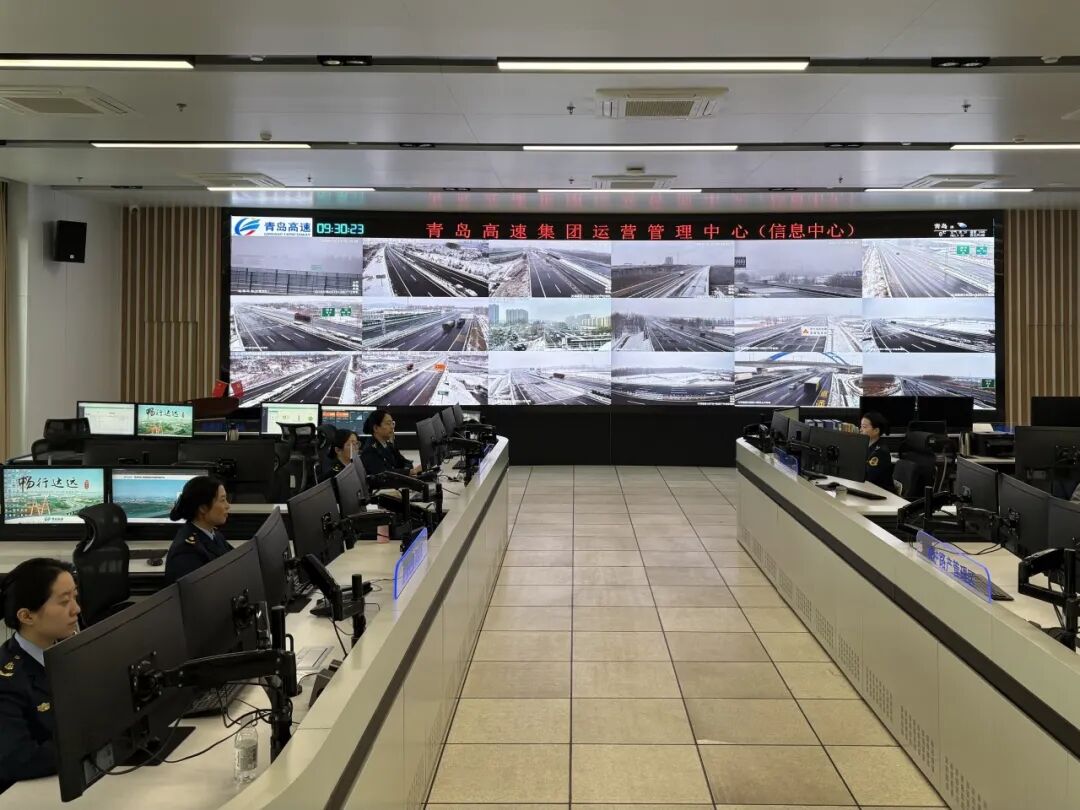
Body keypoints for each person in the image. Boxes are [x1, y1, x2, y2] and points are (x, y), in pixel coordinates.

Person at [0, 558, 81, 791]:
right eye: (64, 601)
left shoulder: (70, 651)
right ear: (27, 616)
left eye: (75, 596)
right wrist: (94, 740)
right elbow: (18, 759)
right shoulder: (8, 681)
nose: (76, 609)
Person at [164, 476, 233, 584]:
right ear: (203, 508)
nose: (227, 506)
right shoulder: (186, 552)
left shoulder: (214, 534)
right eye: (222, 500)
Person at [360, 410, 422, 476]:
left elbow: (405, 462)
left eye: (392, 423)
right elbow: (384, 474)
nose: (392, 427)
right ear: (376, 428)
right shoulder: (369, 450)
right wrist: (411, 471)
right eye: (388, 423)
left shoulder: (388, 445)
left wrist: (407, 470)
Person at [860, 411, 895, 491]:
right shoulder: (865, 446)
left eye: (864, 427)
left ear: (876, 430)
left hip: (882, 493)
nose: (860, 430)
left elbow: (868, 477)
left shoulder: (880, 452)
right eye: (861, 426)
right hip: (868, 489)